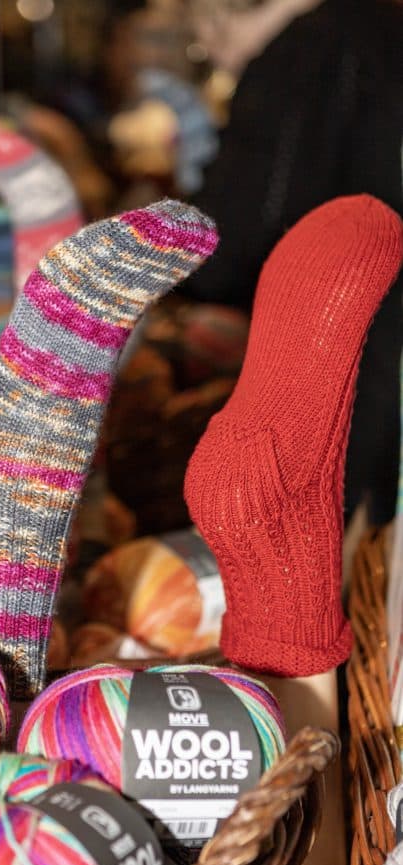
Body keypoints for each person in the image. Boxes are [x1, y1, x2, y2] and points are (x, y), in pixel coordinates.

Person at [183, 0, 403, 526]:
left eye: (208, 29)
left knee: (321, 543)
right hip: (386, 356)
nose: (212, 51)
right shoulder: (383, 25)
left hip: (359, 366)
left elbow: (234, 235)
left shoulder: (306, 49)